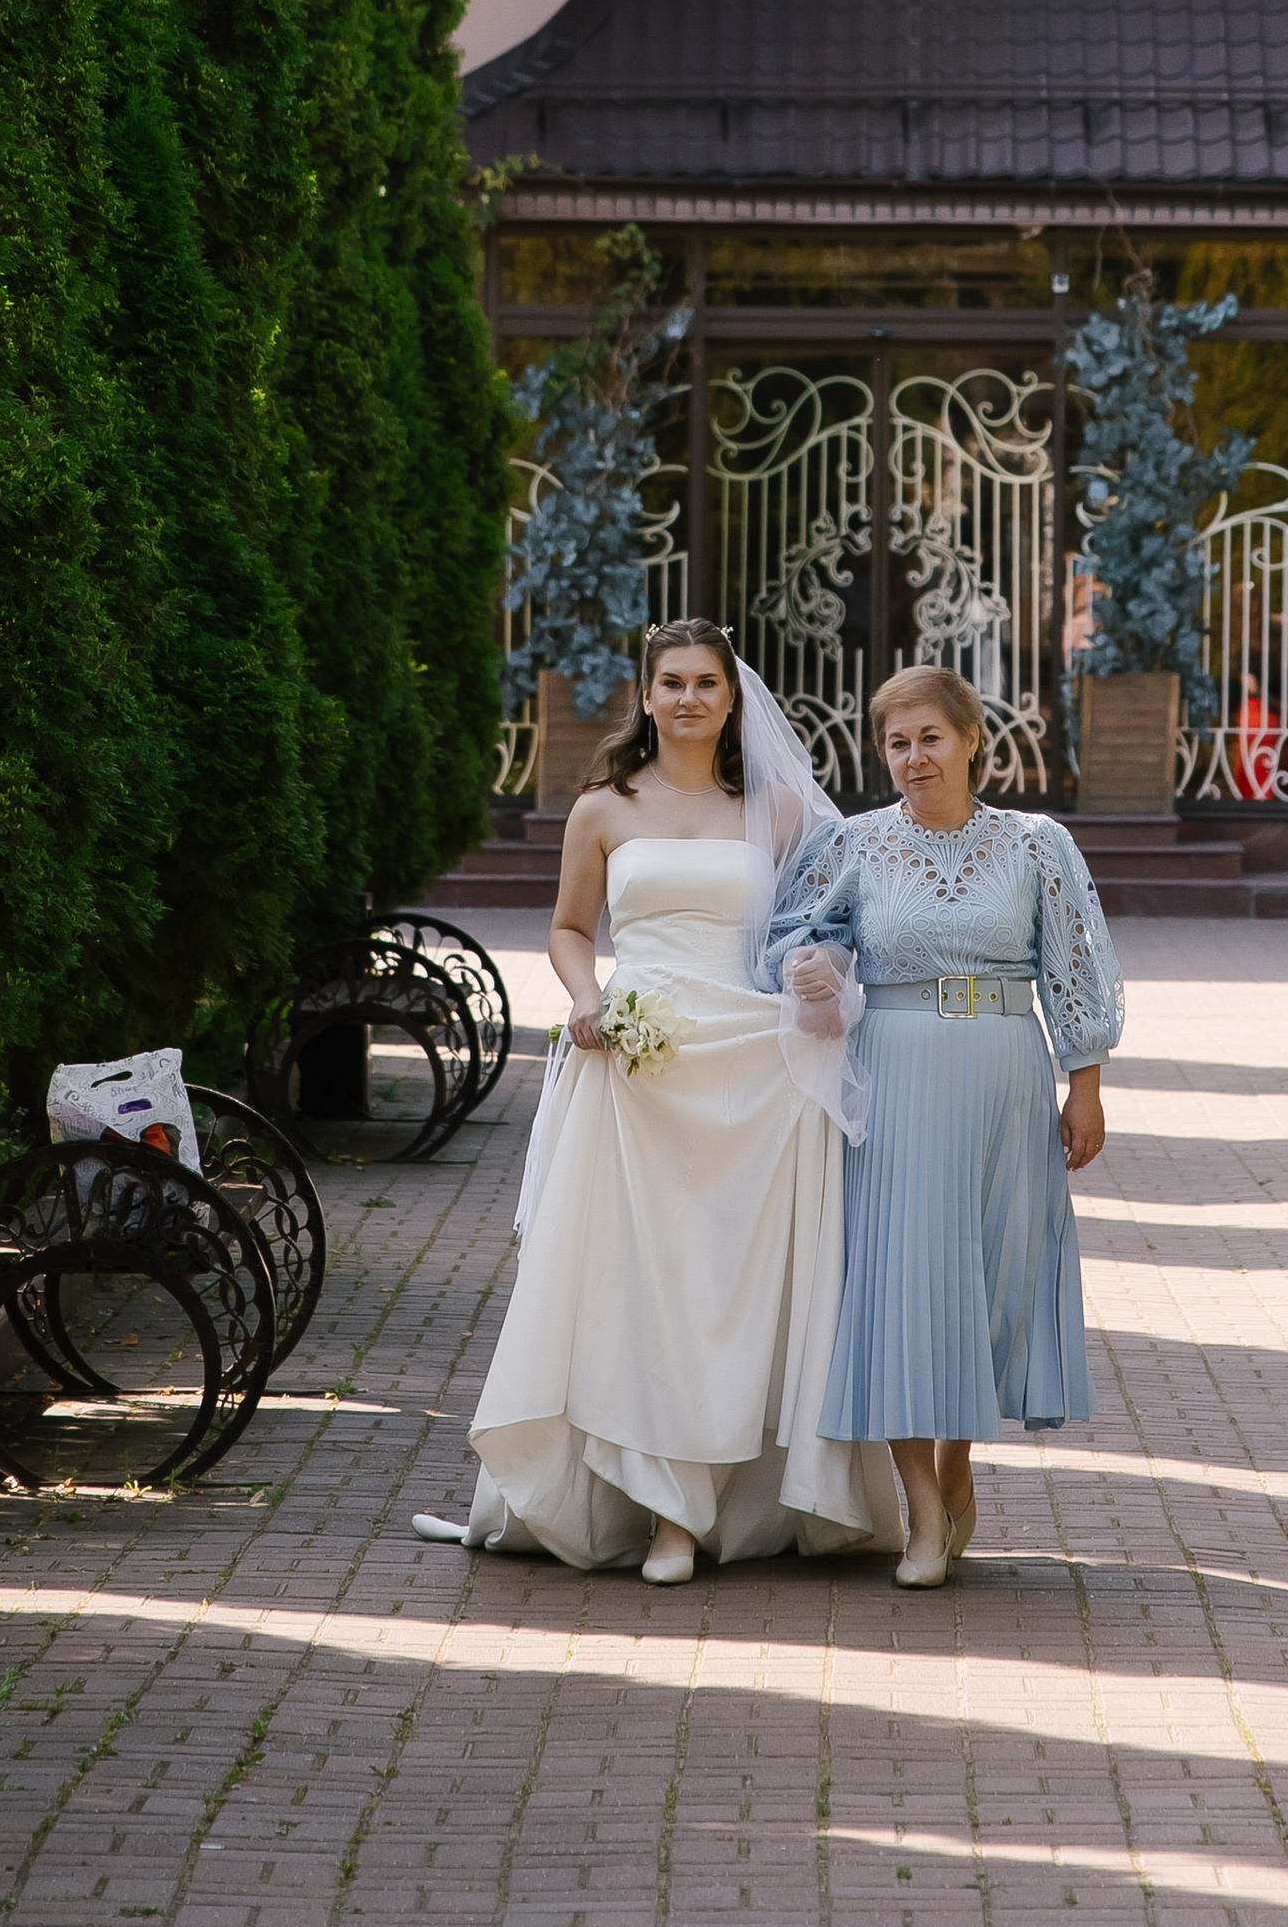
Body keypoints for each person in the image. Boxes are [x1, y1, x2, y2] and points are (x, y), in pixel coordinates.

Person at [417, 619, 874, 1579]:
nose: (691, 699)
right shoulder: (604, 808)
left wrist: (821, 973)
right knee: (635, 1284)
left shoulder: (781, 811)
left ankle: (709, 1506)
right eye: (673, 682)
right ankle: (653, 1508)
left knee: (725, 1285)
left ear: (732, 696)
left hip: (747, 1065)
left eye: (708, 682)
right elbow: (570, 927)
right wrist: (589, 1001)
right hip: (635, 1060)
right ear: (647, 692)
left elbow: (830, 927)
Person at [775, 664, 1122, 1589]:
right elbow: (785, 935)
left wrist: (1082, 1085)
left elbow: (1076, 966)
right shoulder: (854, 842)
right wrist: (814, 964)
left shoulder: (1037, 844)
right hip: (895, 1078)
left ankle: (958, 1465)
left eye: (930, 736)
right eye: (896, 742)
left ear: (973, 739)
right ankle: (921, 1510)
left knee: (991, 1281)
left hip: (1008, 1072)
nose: (914, 757)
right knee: (899, 1286)